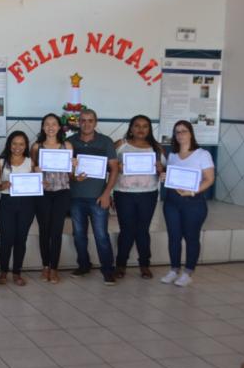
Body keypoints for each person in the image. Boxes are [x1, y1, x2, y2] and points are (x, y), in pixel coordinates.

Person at [160, 120, 215, 287]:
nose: (180, 135)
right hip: (172, 202)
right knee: (174, 237)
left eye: (184, 131)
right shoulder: (172, 155)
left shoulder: (202, 154)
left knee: (191, 237)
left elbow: (209, 179)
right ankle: (174, 269)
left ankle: (188, 272)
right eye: (177, 132)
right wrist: (164, 177)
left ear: (191, 133)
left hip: (193, 202)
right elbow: (171, 177)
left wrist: (192, 191)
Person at [68, 109, 119, 286]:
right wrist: (73, 176)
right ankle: (83, 265)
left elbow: (114, 169)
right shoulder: (70, 142)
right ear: (78, 122)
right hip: (75, 197)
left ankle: (108, 270)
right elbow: (65, 169)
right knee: (79, 235)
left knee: (101, 235)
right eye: (83, 120)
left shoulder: (106, 142)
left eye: (90, 120)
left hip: (98, 198)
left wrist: (107, 194)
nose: (86, 124)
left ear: (95, 122)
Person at [113, 114, 164, 280]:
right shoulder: (121, 145)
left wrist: (160, 168)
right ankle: (120, 265)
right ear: (131, 128)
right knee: (126, 230)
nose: (141, 129)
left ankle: (144, 265)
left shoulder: (156, 148)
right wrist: (117, 167)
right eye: (137, 125)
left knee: (142, 230)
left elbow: (165, 171)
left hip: (148, 194)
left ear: (149, 129)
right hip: (124, 193)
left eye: (145, 126)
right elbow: (107, 167)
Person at [30, 113, 73, 284]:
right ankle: (45, 266)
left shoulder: (66, 146)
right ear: (42, 127)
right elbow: (32, 168)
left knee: (56, 231)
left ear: (59, 127)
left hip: (62, 192)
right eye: (47, 124)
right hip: (43, 193)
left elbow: (71, 173)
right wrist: (36, 169)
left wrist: (74, 166)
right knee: (44, 230)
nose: (50, 127)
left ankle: (54, 268)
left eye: (54, 124)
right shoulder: (37, 146)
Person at [0, 131, 36, 286]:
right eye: (14, 143)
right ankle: (3, 271)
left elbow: (37, 181)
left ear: (26, 146)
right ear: (9, 145)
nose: (18, 147)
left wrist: (40, 183)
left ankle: (17, 272)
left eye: (21, 144)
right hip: (7, 203)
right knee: (6, 239)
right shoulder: (1, 162)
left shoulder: (31, 162)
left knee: (20, 239)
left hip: (27, 204)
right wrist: (1, 185)